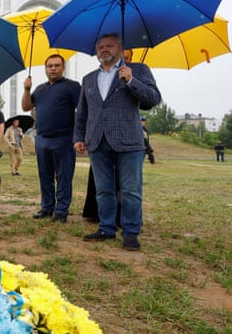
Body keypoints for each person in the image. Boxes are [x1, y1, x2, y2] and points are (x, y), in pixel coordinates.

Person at [74, 33, 162, 251]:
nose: (104, 50)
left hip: (128, 141)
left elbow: (153, 99)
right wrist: (78, 137)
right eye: (101, 47)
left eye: (109, 46)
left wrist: (132, 81)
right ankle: (106, 228)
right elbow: (82, 112)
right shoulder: (88, 79)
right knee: (103, 189)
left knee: (131, 190)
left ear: (120, 49)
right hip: (97, 140)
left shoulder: (138, 70)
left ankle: (131, 232)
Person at [22, 53, 81, 223]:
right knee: (45, 175)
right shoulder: (40, 89)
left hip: (64, 138)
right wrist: (27, 89)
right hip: (42, 139)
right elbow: (26, 106)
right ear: (45, 69)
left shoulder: (72, 86)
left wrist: (80, 135)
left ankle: (61, 211)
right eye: (50, 66)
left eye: (57, 65)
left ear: (63, 67)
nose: (53, 68)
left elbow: (83, 110)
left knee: (63, 176)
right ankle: (47, 207)